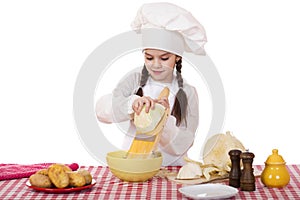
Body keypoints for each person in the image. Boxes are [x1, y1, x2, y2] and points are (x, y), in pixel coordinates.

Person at [96, 2, 207, 166]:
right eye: (149, 57)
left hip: (173, 169)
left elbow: (186, 141)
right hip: (134, 167)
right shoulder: (134, 81)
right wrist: (131, 104)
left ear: (177, 57)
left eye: (164, 58)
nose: (156, 64)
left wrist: (164, 120)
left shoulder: (188, 92)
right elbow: (101, 111)